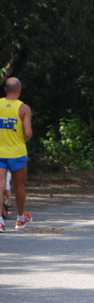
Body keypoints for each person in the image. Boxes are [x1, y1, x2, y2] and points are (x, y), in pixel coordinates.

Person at [0, 77, 33, 233]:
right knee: (19, 186)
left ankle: (0, 221)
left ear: (5, 90)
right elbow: (28, 132)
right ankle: (20, 219)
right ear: (19, 90)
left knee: (0, 186)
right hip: (18, 153)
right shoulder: (24, 108)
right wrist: (21, 140)